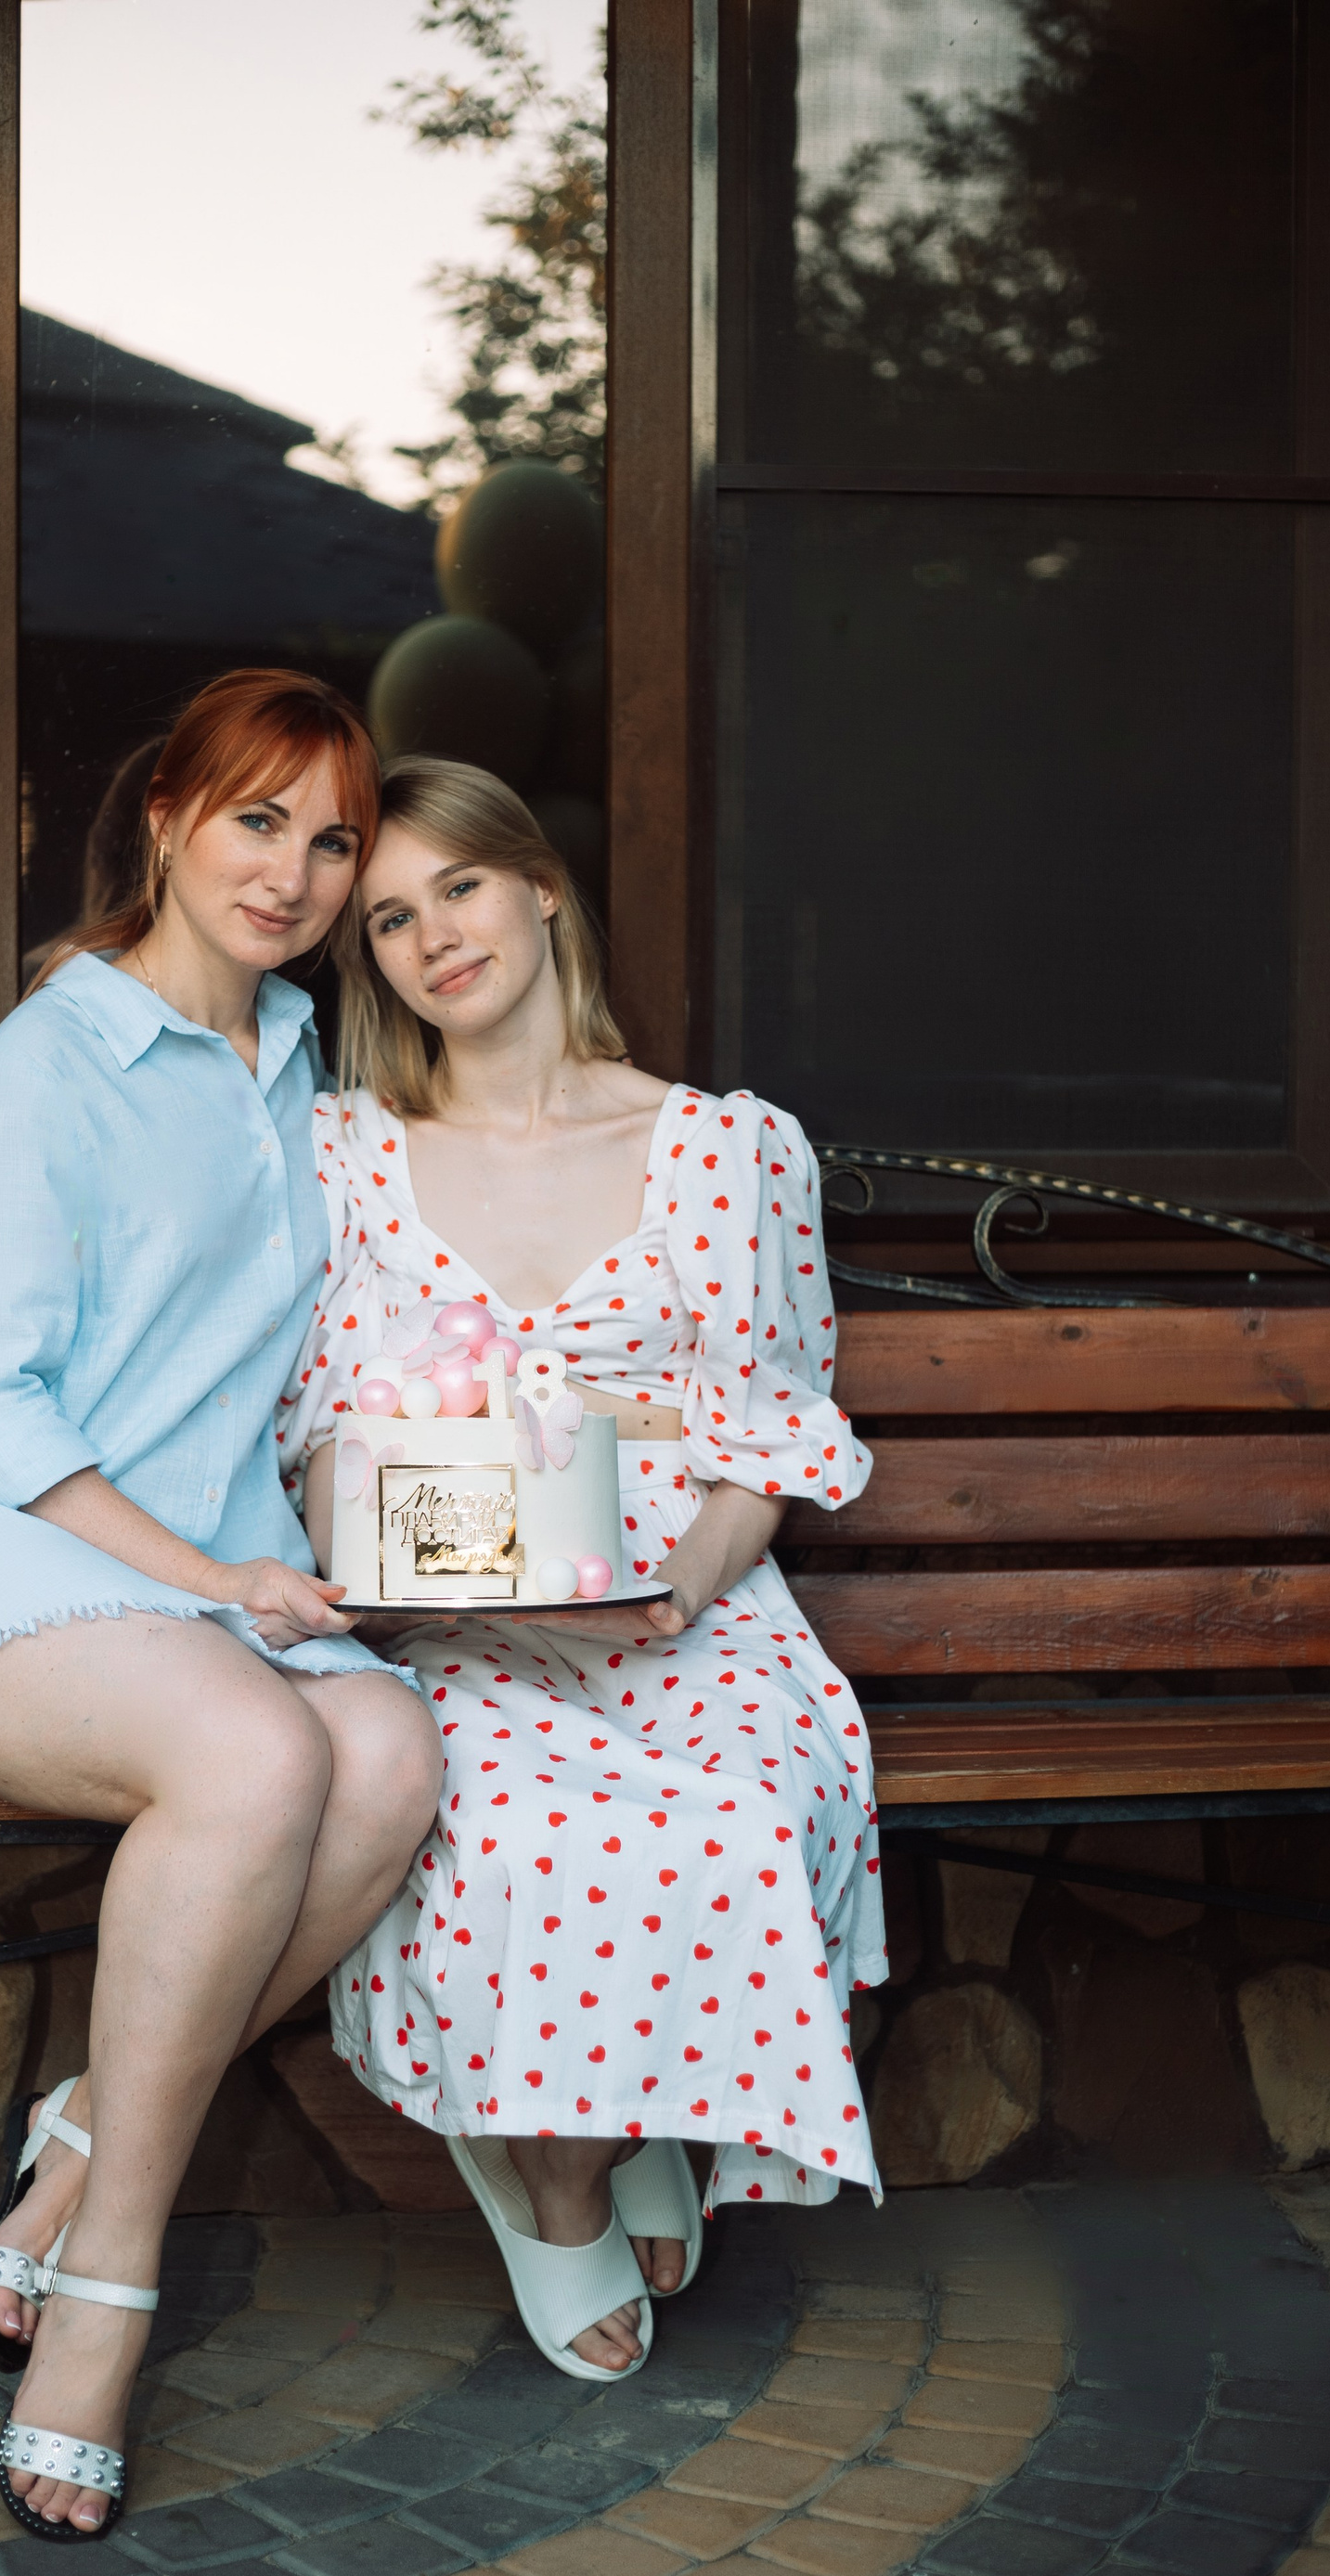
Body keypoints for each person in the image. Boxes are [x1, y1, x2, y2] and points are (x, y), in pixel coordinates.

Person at [0, 673, 444, 2536]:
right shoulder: (45, 1073)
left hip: (192, 1572)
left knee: (391, 1757)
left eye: (332, 841)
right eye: (257, 820)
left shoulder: (304, 1064)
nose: (294, 874)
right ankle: (106, 2292)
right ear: (165, 819)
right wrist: (216, 1581)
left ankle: (84, 2132)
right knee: (258, 1756)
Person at [277, 755, 885, 2384]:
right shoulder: (345, 1155)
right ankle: (557, 2181)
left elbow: (767, 1439)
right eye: (388, 918)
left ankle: (615, 2123)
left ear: (541, 887)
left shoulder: (725, 1148)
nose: (432, 937)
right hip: (449, 1614)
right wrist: (421, 1581)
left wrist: (676, 1595)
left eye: (460, 887)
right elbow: (319, 1434)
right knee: (517, 1830)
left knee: (737, 1808)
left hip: (689, 1601)